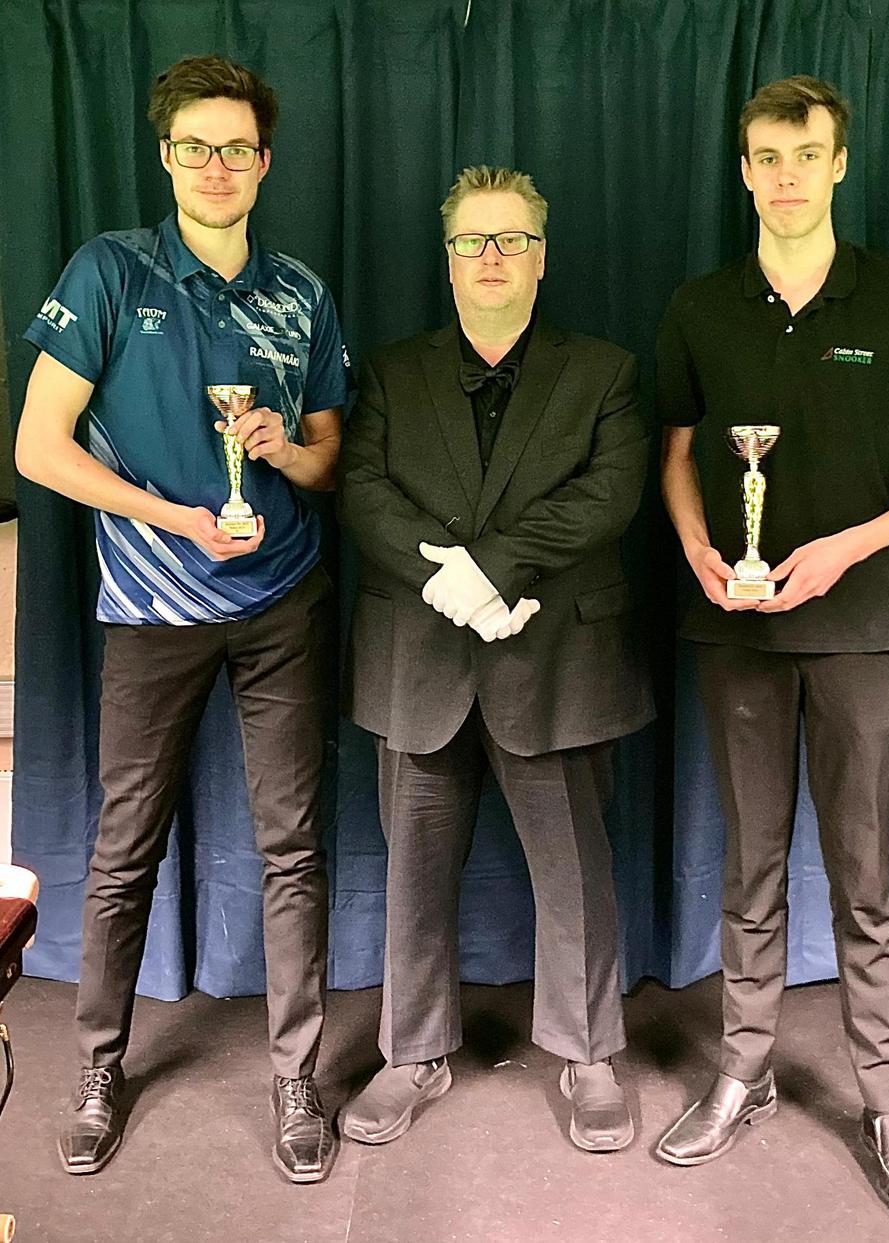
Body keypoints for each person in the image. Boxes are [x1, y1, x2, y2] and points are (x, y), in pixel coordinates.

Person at [655, 75, 889, 1222]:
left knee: (863, 878)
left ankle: (886, 1101)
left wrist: (849, 545)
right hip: (736, 625)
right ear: (743, 169)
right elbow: (675, 454)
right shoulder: (701, 306)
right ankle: (742, 1070)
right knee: (749, 870)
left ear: (839, 162)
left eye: (805, 153)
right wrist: (699, 547)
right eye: (766, 156)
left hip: (858, 628)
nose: (786, 174)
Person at [16, 55, 351, 1184]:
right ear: (165, 156)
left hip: (284, 602)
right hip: (152, 605)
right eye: (196, 146)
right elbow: (38, 448)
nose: (218, 166)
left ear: (266, 162)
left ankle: (297, 1074)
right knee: (125, 847)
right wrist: (171, 516)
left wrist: (282, 452)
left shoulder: (301, 292)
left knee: (292, 845)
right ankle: (98, 1065)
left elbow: (330, 458)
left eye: (237, 148)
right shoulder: (110, 270)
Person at [337, 165, 654, 1153]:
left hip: (556, 658)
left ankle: (589, 1054)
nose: (491, 257)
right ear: (448, 258)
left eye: (511, 239)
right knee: (413, 875)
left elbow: (611, 492)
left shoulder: (604, 371)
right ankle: (412, 1053)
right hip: (419, 657)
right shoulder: (390, 370)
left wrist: (491, 568)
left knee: (576, 876)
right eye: (472, 240)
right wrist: (451, 582)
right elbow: (363, 487)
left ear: (541, 256)